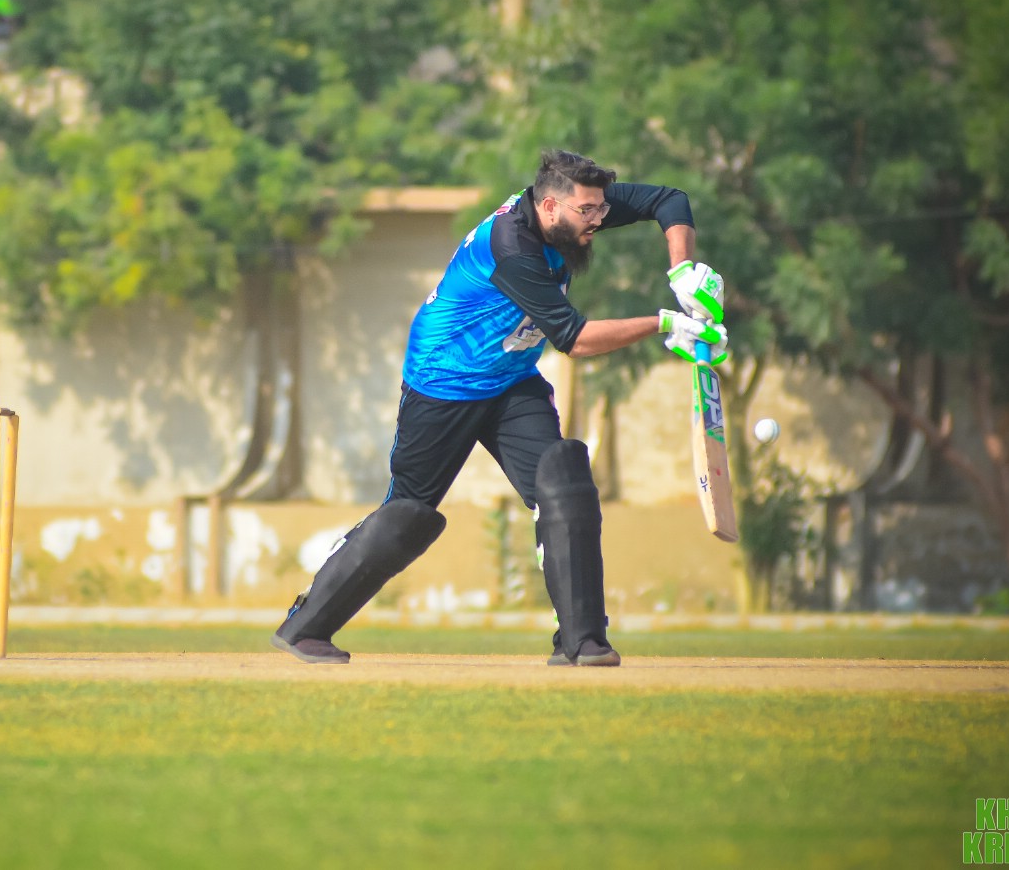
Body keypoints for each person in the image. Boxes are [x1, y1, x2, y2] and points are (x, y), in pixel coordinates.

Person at [271, 150, 728, 667]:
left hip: (511, 380)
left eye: (602, 209)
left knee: (563, 481)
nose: (598, 220)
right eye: (587, 211)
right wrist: (666, 324)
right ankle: (306, 628)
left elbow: (669, 200)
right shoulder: (513, 246)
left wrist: (682, 269)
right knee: (408, 516)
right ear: (550, 206)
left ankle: (582, 641)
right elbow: (573, 339)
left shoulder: (574, 210)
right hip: (444, 382)